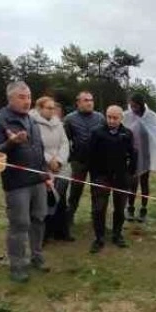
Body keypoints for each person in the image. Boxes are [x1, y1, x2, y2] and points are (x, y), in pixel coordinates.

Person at [0, 82, 53, 283]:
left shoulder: (32, 119)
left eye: (29, 97)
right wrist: (11, 143)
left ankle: (37, 255)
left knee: (39, 218)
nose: (27, 101)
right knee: (20, 223)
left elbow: (39, 148)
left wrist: (45, 174)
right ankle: (17, 265)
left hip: (37, 179)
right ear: (10, 98)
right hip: (16, 183)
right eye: (22, 97)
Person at [87, 105, 137, 253]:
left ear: (121, 118)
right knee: (98, 208)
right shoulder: (96, 133)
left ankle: (117, 234)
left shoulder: (127, 134)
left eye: (115, 118)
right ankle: (99, 237)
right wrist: (95, 176)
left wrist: (129, 173)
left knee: (120, 208)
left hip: (121, 178)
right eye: (109, 117)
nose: (111, 120)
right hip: (101, 177)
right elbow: (90, 156)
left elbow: (132, 155)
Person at [123, 93, 156, 223]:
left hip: (146, 154)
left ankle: (143, 209)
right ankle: (130, 208)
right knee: (132, 183)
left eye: (135, 106)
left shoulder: (150, 117)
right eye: (131, 106)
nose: (133, 108)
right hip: (133, 155)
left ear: (140, 105)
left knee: (144, 182)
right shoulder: (128, 116)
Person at [31, 96, 71, 242]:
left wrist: (59, 161)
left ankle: (61, 232)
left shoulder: (58, 124)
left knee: (61, 200)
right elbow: (35, 145)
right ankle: (44, 235)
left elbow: (65, 143)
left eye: (53, 108)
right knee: (46, 201)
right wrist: (49, 160)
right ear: (39, 108)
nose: (52, 111)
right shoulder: (33, 124)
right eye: (49, 108)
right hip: (43, 167)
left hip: (60, 167)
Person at [63, 91, 105, 229]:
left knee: (97, 191)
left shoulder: (100, 118)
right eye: (86, 100)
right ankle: (69, 218)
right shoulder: (69, 119)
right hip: (78, 161)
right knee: (75, 190)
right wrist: (69, 157)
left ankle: (96, 219)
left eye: (91, 100)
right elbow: (64, 141)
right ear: (78, 102)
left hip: (97, 162)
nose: (89, 102)